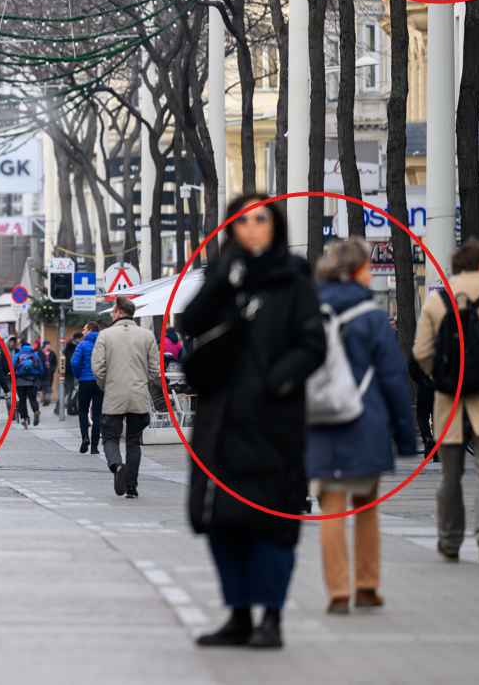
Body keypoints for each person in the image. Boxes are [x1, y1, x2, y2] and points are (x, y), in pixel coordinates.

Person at [180, 194, 325, 649]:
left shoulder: (294, 278)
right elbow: (191, 323)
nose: (252, 228)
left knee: (271, 524)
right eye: (242, 221)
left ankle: (271, 619)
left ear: (275, 224)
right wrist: (221, 279)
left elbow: (312, 344)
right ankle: (238, 614)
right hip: (219, 422)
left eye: (261, 219)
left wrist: (277, 382)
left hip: (273, 424)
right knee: (221, 520)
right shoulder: (222, 276)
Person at [306, 238, 418, 613]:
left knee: (331, 507)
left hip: (319, 422)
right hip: (364, 422)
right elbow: (393, 379)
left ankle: (338, 591)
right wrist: (406, 437)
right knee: (366, 506)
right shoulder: (371, 317)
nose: (371, 274)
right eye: (368, 267)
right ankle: (367, 586)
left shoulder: (307, 312)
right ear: (355, 271)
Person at [413, 239, 479, 566]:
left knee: (450, 476)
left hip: (449, 400)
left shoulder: (438, 302)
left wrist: (441, 379)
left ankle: (449, 542)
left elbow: (421, 353)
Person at [91, 296, 161, 499]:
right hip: (138, 396)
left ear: (118, 313)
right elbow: (155, 370)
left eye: (113, 311)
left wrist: (105, 385)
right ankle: (131, 486)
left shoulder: (105, 336)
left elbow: (97, 366)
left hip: (114, 396)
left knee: (110, 437)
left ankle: (116, 465)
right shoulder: (147, 336)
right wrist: (144, 384)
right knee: (133, 442)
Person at [71, 322, 103, 454]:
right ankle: (95, 447)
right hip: (100, 383)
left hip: (85, 382)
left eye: (84, 330)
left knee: (83, 410)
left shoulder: (82, 345)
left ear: (90, 330)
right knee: (97, 415)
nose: (82, 332)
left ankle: (85, 437)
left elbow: (74, 363)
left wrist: (79, 376)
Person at [12, 340, 43, 427]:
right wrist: (36, 379)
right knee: (32, 398)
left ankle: (25, 418)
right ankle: (36, 411)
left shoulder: (18, 355)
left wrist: (14, 380)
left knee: (22, 400)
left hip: (20, 382)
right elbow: (41, 369)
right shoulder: (35, 355)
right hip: (32, 382)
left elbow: (12, 368)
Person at [60, 330, 83, 418]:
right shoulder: (73, 347)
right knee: (70, 389)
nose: (82, 340)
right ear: (77, 339)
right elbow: (71, 361)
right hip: (69, 372)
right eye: (81, 339)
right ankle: (69, 409)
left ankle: (58, 408)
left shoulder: (70, 346)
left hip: (68, 371)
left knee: (66, 390)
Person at [38, 339, 58, 407]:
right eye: (47, 344)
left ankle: (47, 400)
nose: (49, 345)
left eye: (49, 344)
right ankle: (45, 400)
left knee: (49, 386)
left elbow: (55, 363)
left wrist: (52, 370)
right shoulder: (40, 353)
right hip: (43, 373)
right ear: (44, 345)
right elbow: (38, 362)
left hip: (50, 373)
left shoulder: (52, 353)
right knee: (43, 387)